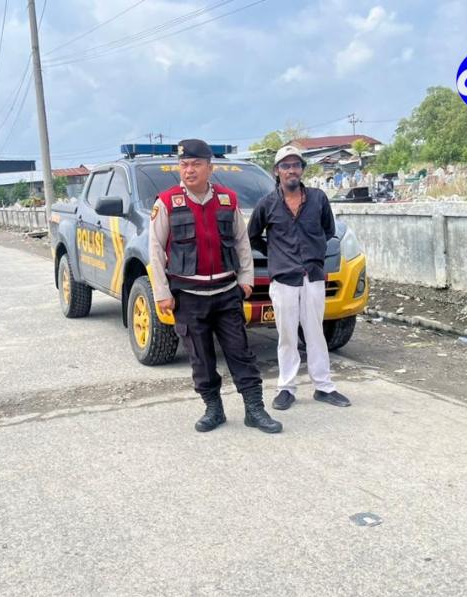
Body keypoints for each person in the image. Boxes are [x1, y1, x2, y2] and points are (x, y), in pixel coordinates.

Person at [148, 139, 282, 434]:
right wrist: (162, 293)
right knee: (201, 358)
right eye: (184, 164)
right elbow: (155, 250)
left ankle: (254, 410)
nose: (189, 170)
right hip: (188, 297)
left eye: (196, 164)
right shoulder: (167, 202)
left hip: (225, 294)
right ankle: (213, 409)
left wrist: (246, 280)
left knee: (240, 353)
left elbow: (242, 242)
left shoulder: (227, 200)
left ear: (210, 168)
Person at [248, 145, 351, 411]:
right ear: (277, 171)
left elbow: (328, 231)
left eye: (296, 165)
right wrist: (276, 255)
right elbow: (252, 236)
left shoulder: (318, 199)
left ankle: (324, 386)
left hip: (313, 277)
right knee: (287, 335)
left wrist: (314, 254)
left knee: (315, 333)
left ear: (302, 169)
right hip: (283, 280)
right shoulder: (267, 204)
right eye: (286, 165)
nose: (291, 170)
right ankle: (286, 387)